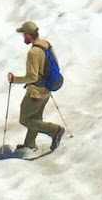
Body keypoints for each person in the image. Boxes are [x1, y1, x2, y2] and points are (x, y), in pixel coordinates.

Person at [7, 21, 64, 153]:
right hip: (48, 89)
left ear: (28, 35)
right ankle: (30, 144)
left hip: (36, 93)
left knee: (26, 119)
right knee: (36, 118)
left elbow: (32, 77)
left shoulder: (33, 53)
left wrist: (14, 79)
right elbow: (55, 62)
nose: (23, 38)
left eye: (23, 35)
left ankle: (55, 130)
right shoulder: (46, 44)